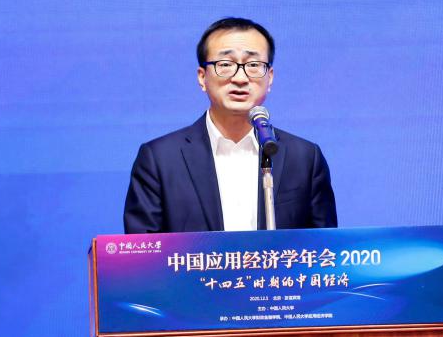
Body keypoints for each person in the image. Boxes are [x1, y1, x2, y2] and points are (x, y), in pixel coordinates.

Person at [123, 17, 337, 234]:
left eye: (253, 65)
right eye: (225, 65)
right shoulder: (160, 159)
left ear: (270, 78)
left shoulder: (304, 158)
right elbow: (144, 249)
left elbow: (325, 247)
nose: (240, 78)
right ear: (202, 77)